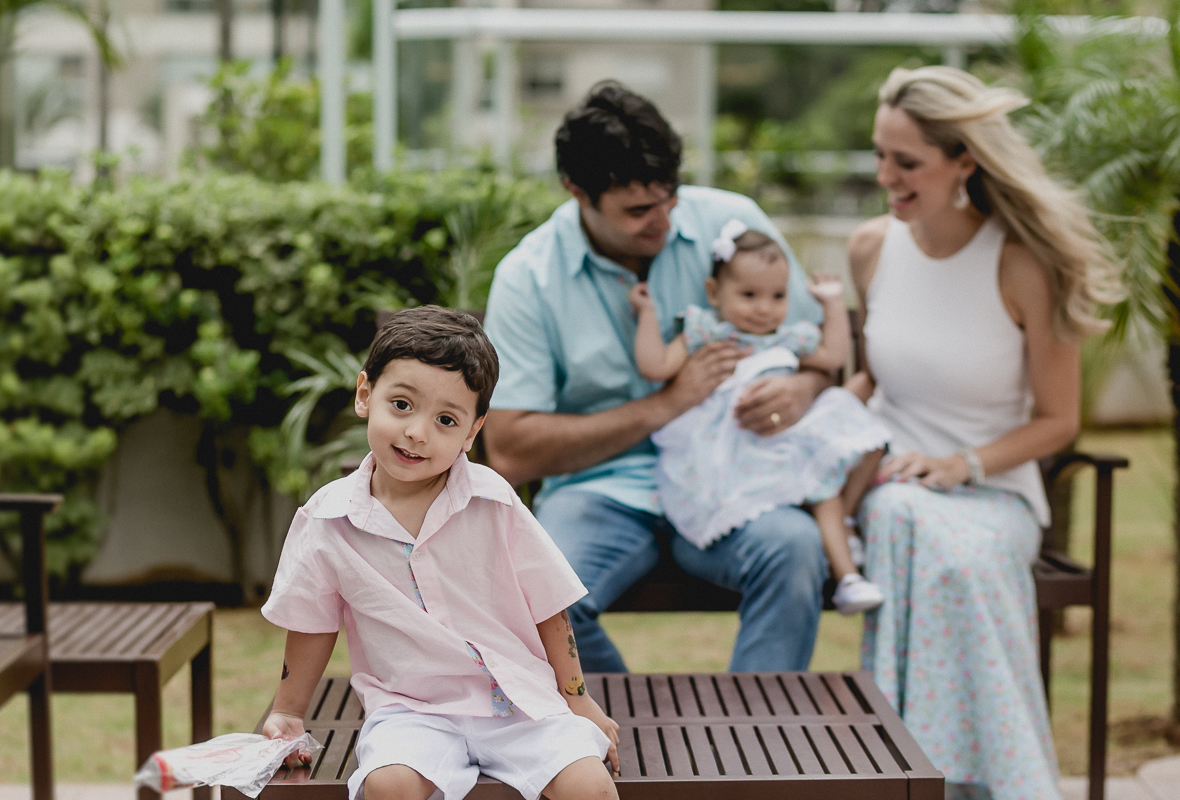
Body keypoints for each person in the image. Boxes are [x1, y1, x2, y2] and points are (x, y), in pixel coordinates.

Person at [482, 81, 832, 673]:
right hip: (602, 492)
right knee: (532, 595)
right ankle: (625, 745)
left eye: (669, 198)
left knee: (796, 549)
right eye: (639, 211)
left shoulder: (734, 224)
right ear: (576, 192)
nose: (664, 222)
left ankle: (754, 749)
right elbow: (511, 450)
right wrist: (667, 403)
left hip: (733, 479)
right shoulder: (527, 277)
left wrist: (803, 388)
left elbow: (821, 357)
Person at [846, 66, 1121, 800]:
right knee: (906, 518)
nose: (886, 176)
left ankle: (969, 776)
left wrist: (960, 464)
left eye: (907, 163)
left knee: (958, 560)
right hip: (891, 479)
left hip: (993, 492)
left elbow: (1059, 421)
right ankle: (941, 777)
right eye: (880, 155)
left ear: (964, 161)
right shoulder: (873, 248)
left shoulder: (1024, 264)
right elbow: (871, 375)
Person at [259, 306, 620, 800]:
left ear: (472, 432)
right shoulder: (328, 520)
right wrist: (288, 711)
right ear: (365, 394)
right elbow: (310, 620)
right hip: (411, 710)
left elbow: (548, 604)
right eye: (402, 405)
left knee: (590, 785)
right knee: (388, 787)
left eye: (446, 420)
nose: (417, 432)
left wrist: (578, 701)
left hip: (519, 705)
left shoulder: (493, 502)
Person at [628, 220, 889, 615]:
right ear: (715, 293)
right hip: (729, 448)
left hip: (782, 439)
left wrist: (833, 305)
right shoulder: (706, 333)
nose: (765, 308)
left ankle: (847, 556)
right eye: (749, 295)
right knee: (818, 490)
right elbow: (655, 366)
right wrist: (647, 314)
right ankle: (847, 566)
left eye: (778, 295)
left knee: (859, 434)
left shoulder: (786, 337)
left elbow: (834, 358)